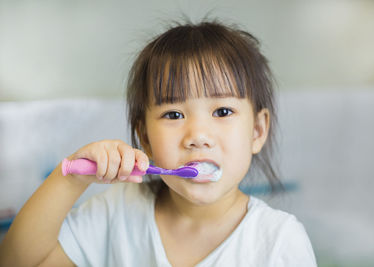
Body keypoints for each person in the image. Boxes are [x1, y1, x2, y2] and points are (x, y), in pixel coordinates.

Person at [0, 19, 317, 267]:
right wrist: (71, 179)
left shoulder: (279, 242)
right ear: (145, 139)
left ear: (257, 132)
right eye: (174, 114)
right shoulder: (118, 211)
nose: (197, 136)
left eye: (222, 111)